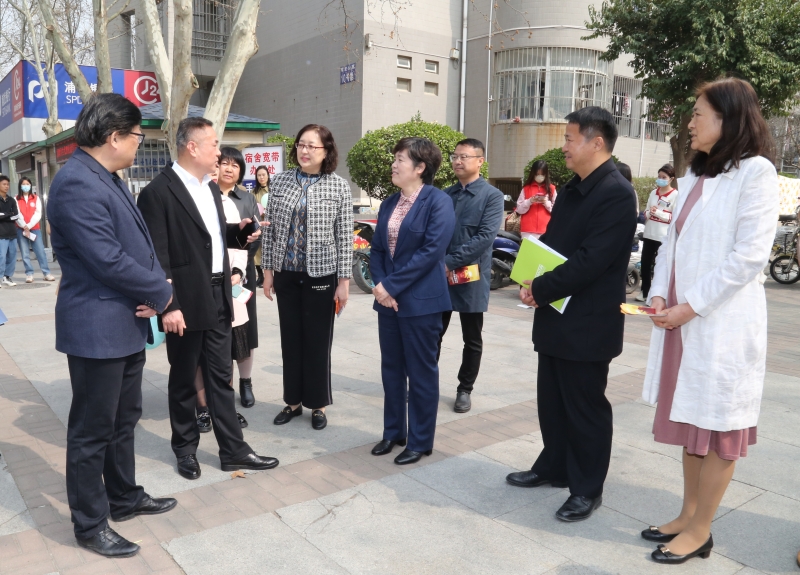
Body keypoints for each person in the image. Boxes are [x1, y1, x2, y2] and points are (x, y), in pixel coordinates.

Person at [641, 78, 777, 565]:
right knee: (692, 424)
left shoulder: (756, 172)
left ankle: (701, 530)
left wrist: (689, 306)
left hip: (719, 324)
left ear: (727, 118)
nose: (691, 123)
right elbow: (670, 245)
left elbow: (749, 256)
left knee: (719, 428)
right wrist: (660, 293)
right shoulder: (696, 174)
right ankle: (687, 514)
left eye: (699, 114)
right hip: (683, 320)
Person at [47, 93, 177, 558]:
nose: (140, 143)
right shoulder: (76, 183)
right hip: (96, 327)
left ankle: (123, 497)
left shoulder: (107, 177)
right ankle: (89, 524)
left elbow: (137, 246)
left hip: (123, 322)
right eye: (138, 135)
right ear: (114, 136)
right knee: (91, 430)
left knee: (123, 420)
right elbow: (107, 259)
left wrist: (154, 286)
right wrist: (163, 292)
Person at [506, 106, 637, 522]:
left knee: (584, 408)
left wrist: (541, 288)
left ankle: (586, 488)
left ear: (596, 142)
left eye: (568, 138)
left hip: (588, 321)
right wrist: (528, 278)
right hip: (557, 314)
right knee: (553, 400)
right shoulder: (574, 188)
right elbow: (551, 243)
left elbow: (590, 260)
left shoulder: (616, 193)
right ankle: (554, 466)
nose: (562, 146)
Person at [138, 117, 278, 480]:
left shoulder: (210, 188)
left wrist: (238, 233)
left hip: (219, 295)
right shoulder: (158, 192)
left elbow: (211, 237)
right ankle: (185, 449)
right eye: (214, 144)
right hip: (184, 301)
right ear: (192, 147)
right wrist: (168, 305)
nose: (219, 152)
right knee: (185, 379)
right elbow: (156, 255)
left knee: (221, 377)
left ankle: (233, 450)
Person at [369, 137, 455, 465]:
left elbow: (431, 252)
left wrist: (390, 286)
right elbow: (378, 250)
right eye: (395, 158)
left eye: (400, 159)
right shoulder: (389, 203)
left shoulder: (438, 201)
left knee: (421, 373)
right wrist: (381, 287)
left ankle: (420, 441)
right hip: (388, 302)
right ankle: (394, 432)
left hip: (422, 302)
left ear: (420, 167)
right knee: (391, 370)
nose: (394, 165)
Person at [261, 124, 353, 431]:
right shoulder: (280, 181)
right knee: (291, 340)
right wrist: (268, 273)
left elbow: (344, 237)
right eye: (301, 144)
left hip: (321, 274)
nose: (304, 150)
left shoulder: (338, 186)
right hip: (286, 273)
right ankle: (292, 401)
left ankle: (318, 404)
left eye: (312, 146)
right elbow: (271, 231)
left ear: (326, 151)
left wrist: (343, 282)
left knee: (317, 341)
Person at [436, 138, 504, 413]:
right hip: (440, 276)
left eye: (464, 156)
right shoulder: (445, 195)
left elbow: (485, 237)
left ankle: (465, 389)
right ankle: (424, 384)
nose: (458, 161)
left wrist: (448, 262)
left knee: (472, 338)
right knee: (433, 333)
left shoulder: (492, 196)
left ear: (480, 161)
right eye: (455, 156)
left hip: (471, 276)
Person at [194, 161, 249, 432]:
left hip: (227, 287)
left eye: (222, 166)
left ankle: (225, 408)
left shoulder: (225, 201)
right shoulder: (186, 196)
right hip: (196, 288)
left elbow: (237, 242)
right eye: (215, 166)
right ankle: (203, 407)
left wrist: (237, 271)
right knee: (197, 355)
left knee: (225, 354)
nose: (219, 171)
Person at [222, 147, 261, 408]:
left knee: (246, 333)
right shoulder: (206, 196)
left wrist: (240, 270)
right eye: (224, 163)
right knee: (221, 334)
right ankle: (224, 386)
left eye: (235, 165)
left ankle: (246, 382)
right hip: (214, 276)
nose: (228, 169)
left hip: (242, 277)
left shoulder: (246, 199)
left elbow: (255, 237)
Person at [635, 164, 678, 302]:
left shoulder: (675, 195)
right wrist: (650, 212)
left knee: (660, 267)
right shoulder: (653, 193)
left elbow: (674, 217)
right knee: (645, 264)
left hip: (663, 236)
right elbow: (646, 212)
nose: (660, 179)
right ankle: (645, 292)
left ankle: (658, 296)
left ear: (671, 179)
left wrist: (659, 213)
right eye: (659, 176)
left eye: (664, 177)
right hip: (649, 234)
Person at [15, 177, 56, 283]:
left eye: (27, 184)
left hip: (34, 229)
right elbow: (17, 214)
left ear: (30, 185)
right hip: (21, 229)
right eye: (23, 184)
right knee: (25, 253)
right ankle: (29, 274)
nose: (26, 186)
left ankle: (46, 273)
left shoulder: (36, 198)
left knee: (40, 251)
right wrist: (24, 225)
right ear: (20, 186)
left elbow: (38, 214)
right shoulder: (16, 199)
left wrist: (29, 225)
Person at [516, 159, 557, 241]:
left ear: (546, 174)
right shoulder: (526, 188)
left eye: (542, 174)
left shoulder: (551, 189)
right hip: (528, 230)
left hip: (546, 229)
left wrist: (546, 203)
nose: (540, 176)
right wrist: (529, 201)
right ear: (533, 173)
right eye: (537, 174)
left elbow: (557, 210)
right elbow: (519, 210)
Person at [253, 165, 270, 288]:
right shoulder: (254, 192)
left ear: (268, 175)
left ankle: (271, 276)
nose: (261, 177)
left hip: (271, 225)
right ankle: (260, 276)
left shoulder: (273, 190)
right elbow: (252, 209)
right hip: (259, 225)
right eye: (259, 175)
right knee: (257, 252)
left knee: (269, 250)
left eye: (263, 175)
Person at [0, 175, 18, 287]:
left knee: (12, 256)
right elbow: (11, 215)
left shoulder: (11, 200)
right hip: (1, 233)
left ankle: (7, 277)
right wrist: (9, 214)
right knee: (1, 256)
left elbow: (16, 215)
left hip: (12, 232)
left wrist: (4, 215)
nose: (6, 186)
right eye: (4, 184)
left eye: (8, 184)